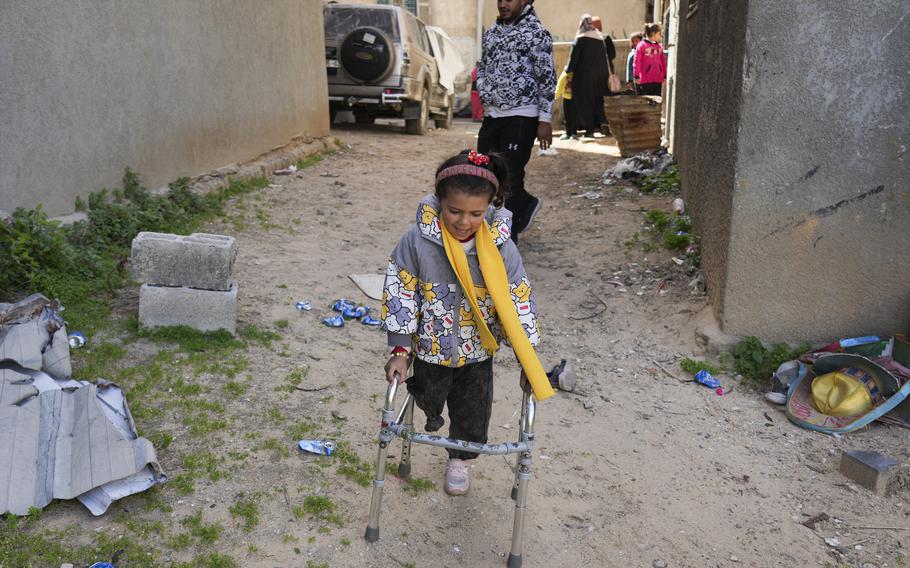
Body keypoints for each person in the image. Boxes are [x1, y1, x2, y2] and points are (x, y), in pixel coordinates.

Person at [381, 149, 550, 496]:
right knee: (428, 399)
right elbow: (401, 292)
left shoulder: (502, 248)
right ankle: (429, 420)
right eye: (454, 211)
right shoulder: (417, 241)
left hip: (477, 352)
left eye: (476, 213)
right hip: (429, 347)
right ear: (439, 200)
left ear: (490, 206)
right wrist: (400, 349)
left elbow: (517, 300)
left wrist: (526, 358)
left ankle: (459, 459)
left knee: (471, 416)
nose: (463, 222)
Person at [476, 0, 556, 242]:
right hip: (493, 115)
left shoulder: (537, 33)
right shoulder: (490, 33)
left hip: (523, 115)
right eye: (500, 0)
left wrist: (545, 119)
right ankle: (525, 206)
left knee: (509, 176)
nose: (503, 4)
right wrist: (484, 89)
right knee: (485, 170)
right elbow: (483, 67)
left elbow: (547, 77)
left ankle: (506, 238)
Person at [566, 15, 610, 138]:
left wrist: (567, 70)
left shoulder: (580, 39)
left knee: (584, 104)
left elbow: (572, 62)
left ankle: (589, 131)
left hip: (583, 79)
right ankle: (603, 124)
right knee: (598, 102)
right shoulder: (599, 38)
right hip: (601, 78)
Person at [633, 23, 667, 97]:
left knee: (657, 101)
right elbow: (637, 62)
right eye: (659, 33)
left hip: (658, 79)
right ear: (653, 33)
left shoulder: (659, 46)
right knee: (647, 102)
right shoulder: (641, 46)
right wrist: (636, 76)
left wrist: (665, 75)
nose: (660, 36)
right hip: (646, 80)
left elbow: (663, 61)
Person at [555, 68, 578, 139]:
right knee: (572, 116)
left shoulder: (566, 73)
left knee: (569, 116)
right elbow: (560, 84)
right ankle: (571, 133)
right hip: (573, 98)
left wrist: (556, 96)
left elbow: (560, 85)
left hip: (570, 98)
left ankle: (571, 133)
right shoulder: (566, 74)